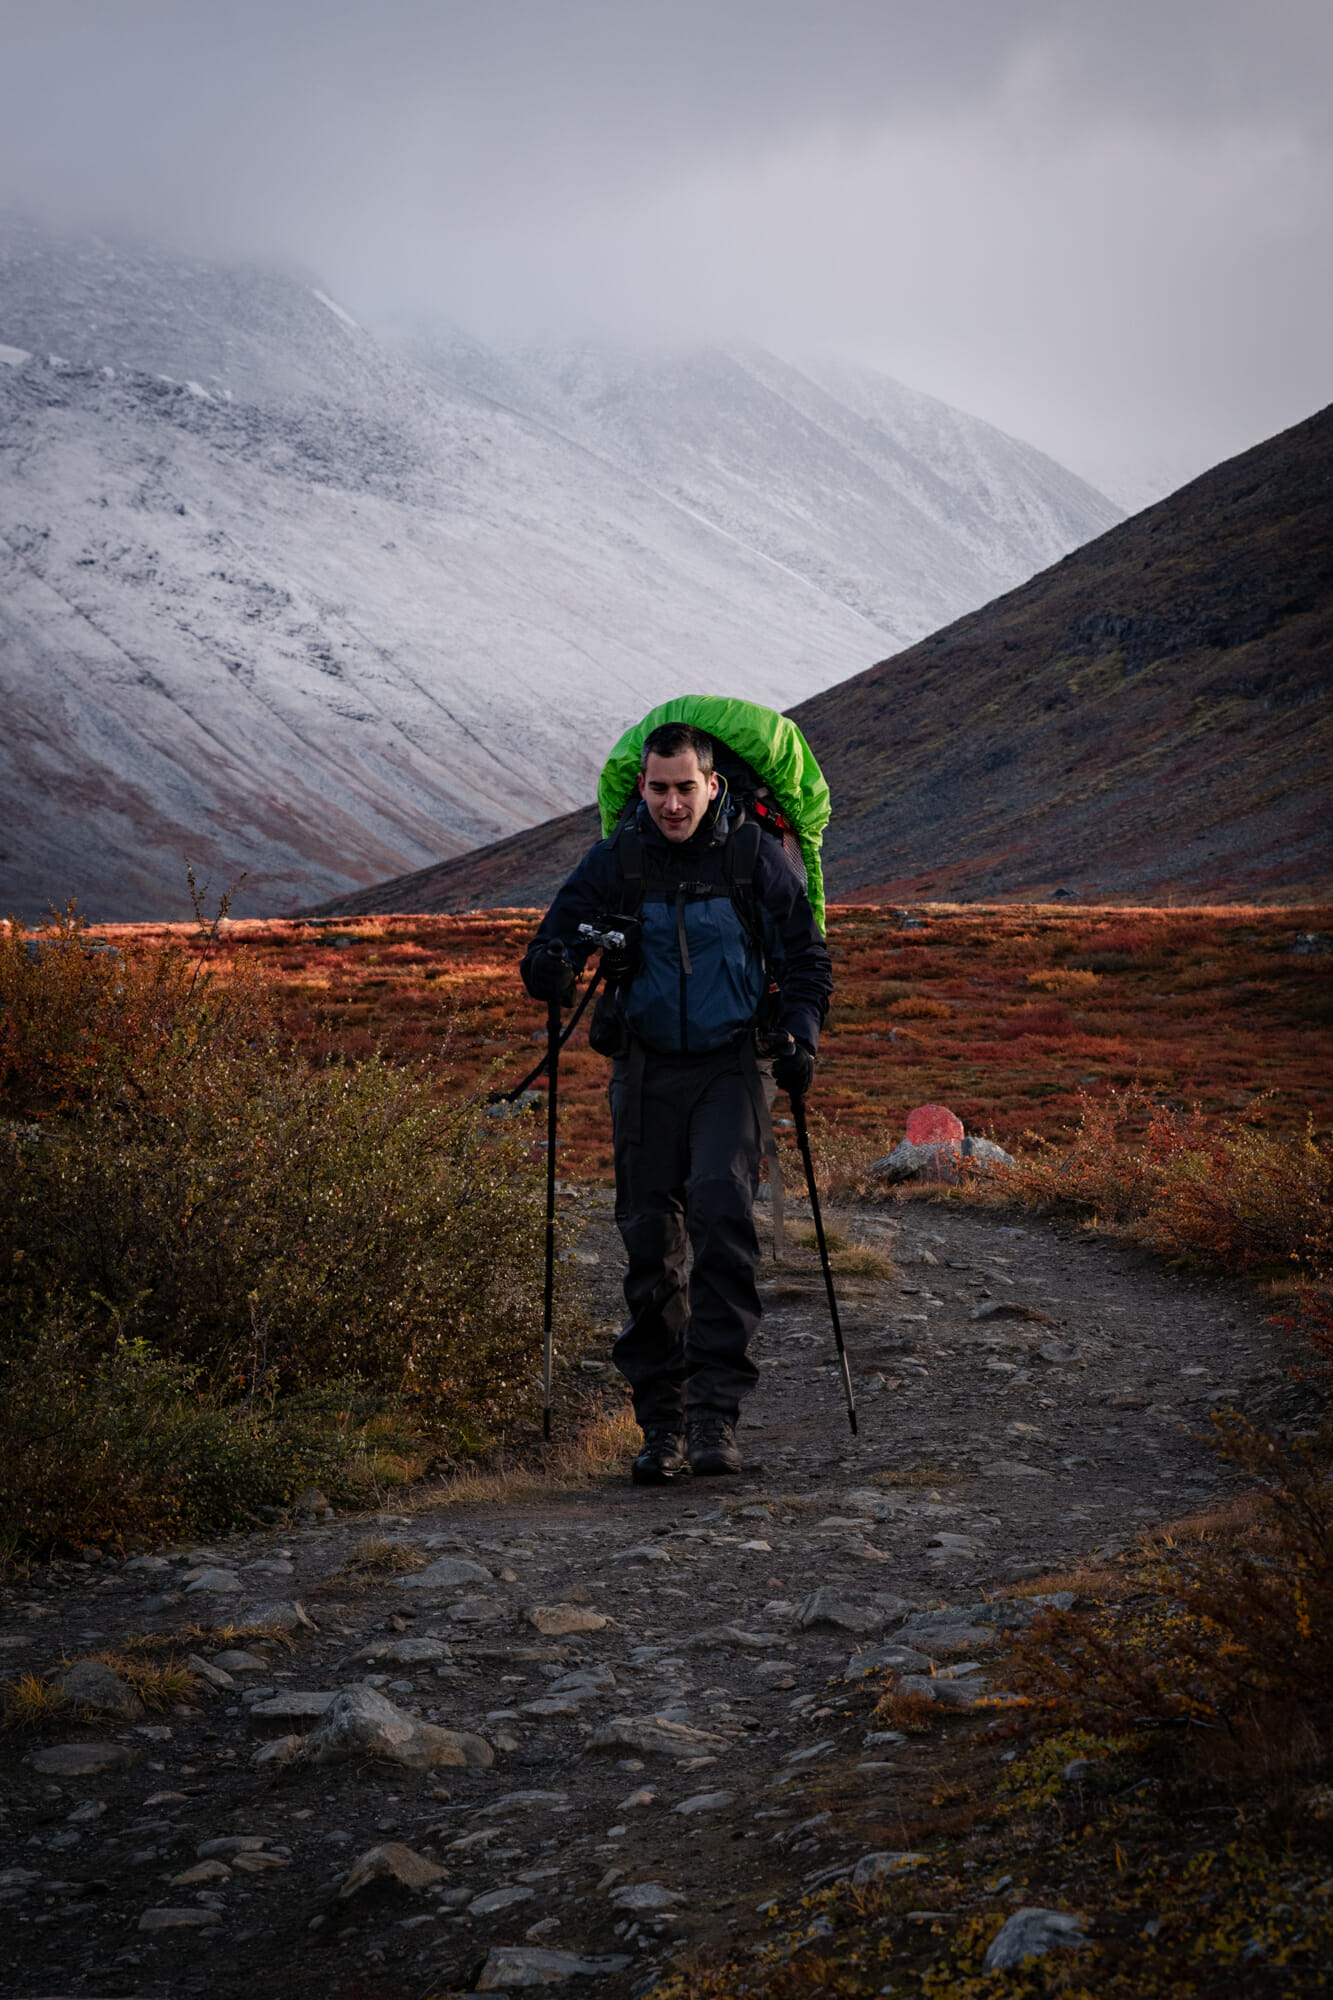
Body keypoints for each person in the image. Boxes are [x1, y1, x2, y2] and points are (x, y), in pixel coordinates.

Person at [520, 721, 833, 1483]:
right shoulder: (615, 860)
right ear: (644, 787)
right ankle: (659, 1428)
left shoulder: (752, 856)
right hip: (644, 1069)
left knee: (721, 1218)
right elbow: (546, 949)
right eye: (657, 788)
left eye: (683, 788)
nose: (669, 803)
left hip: (734, 1065)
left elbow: (805, 956)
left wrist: (799, 1036)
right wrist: (552, 973)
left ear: (712, 784)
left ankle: (712, 1422)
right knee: (648, 1243)